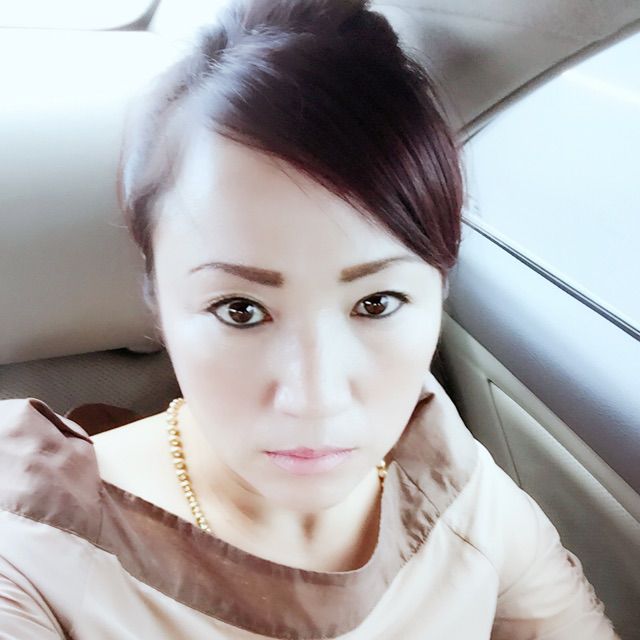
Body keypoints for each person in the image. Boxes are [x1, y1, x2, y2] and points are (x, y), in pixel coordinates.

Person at [0, 0, 620, 638]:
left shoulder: (459, 488)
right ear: (158, 298)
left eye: (376, 304)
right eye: (241, 310)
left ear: (438, 290)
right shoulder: (33, 549)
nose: (315, 398)